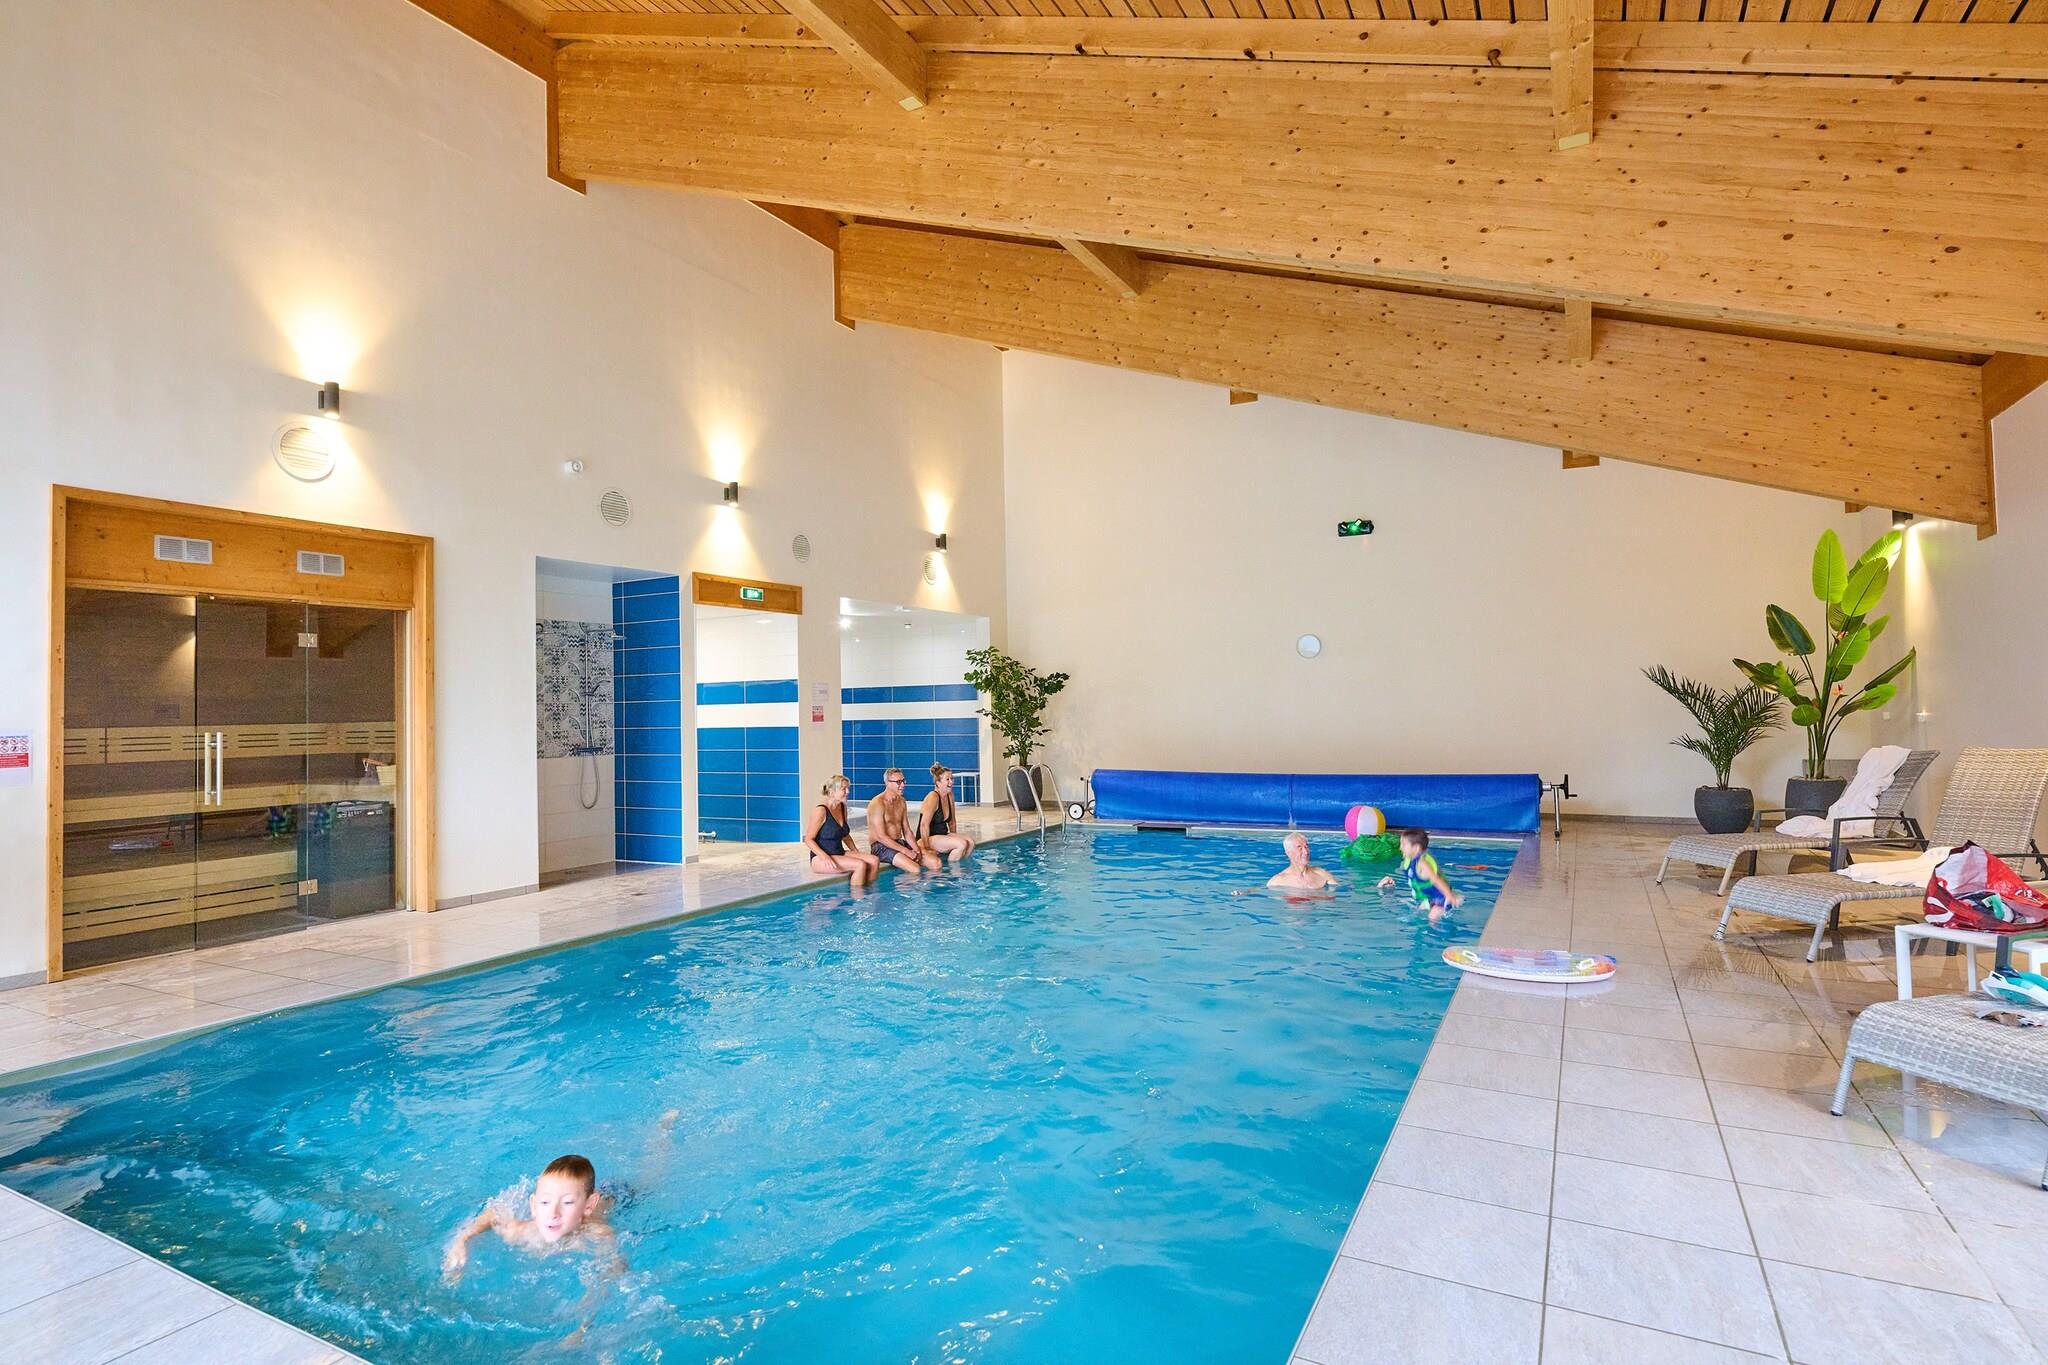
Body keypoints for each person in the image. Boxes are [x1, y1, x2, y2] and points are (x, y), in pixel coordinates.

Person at [442, 1153, 619, 1279]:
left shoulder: (597, 1235)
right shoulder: (521, 1231)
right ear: (533, 1205)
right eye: (544, 1203)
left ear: (588, 1206)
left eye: (567, 1203)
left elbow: (611, 1274)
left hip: (616, 1194)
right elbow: (495, 1212)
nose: (553, 1213)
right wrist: (462, 1240)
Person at [1378, 828, 1465, 924]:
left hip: (1441, 896)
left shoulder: (1422, 864)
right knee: (1418, 912)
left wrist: (1449, 896)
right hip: (1429, 897)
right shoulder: (1409, 860)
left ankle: (1452, 898)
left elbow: (1436, 880)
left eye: (1404, 844)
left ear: (1416, 848)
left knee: (1432, 919)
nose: (1400, 848)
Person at [807, 775, 882, 886]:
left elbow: (844, 834)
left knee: (874, 860)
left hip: (839, 852)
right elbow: (808, 839)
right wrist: (824, 857)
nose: (848, 792)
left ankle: (870, 891)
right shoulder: (821, 811)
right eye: (844, 789)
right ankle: (858, 895)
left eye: (848, 788)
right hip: (820, 858)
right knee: (859, 865)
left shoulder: (842, 807)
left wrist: (855, 851)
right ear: (832, 791)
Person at [868, 767, 940, 874]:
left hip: (898, 842)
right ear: (887, 783)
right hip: (881, 847)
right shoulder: (877, 804)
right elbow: (881, 837)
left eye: (903, 781)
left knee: (935, 863)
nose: (902, 785)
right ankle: (902, 885)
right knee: (915, 869)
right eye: (898, 782)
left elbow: (906, 831)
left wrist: (916, 850)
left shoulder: (901, 801)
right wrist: (906, 851)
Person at [918, 763, 977, 864]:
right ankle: (951, 870)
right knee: (961, 844)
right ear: (938, 782)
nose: (951, 782)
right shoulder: (933, 797)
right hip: (927, 838)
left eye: (952, 778)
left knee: (970, 842)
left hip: (942, 835)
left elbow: (952, 822)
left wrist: (954, 838)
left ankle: (962, 865)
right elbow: (923, 825)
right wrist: (927, 848)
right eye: (947, 779)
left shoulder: (949, 796)